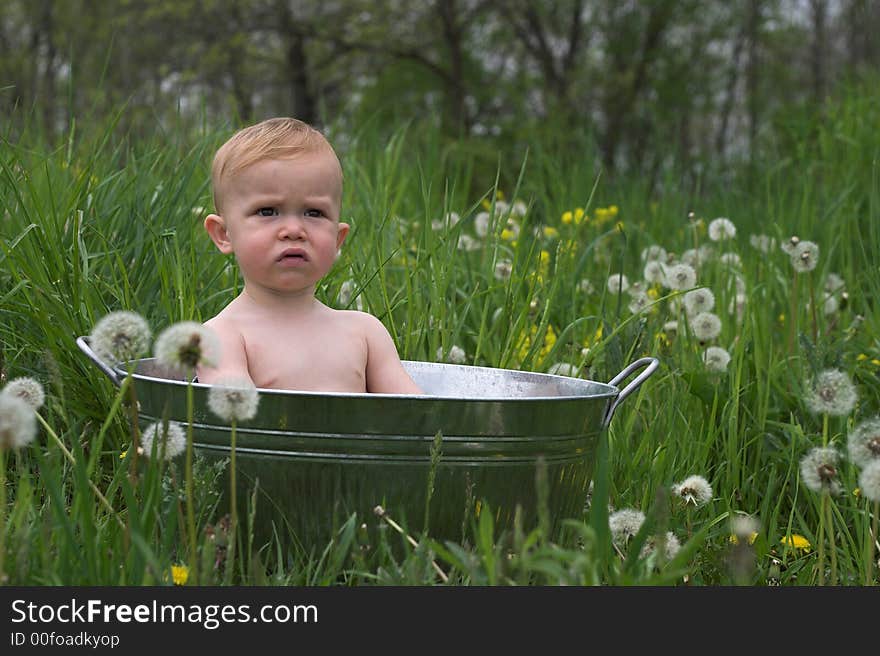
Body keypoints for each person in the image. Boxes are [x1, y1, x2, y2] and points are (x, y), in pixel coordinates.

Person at [197, 117, 422, 395]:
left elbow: (414, 417)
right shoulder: (223, 336)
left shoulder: (364, 333)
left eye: (314, 213)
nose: (293, 230)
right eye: (268, 211)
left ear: (338, 239)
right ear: (224, 234)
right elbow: (233, 423)